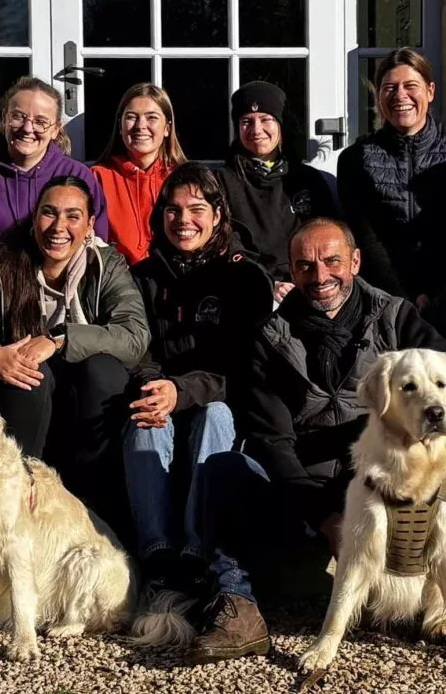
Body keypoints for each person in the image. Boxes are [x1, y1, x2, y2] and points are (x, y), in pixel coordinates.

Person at [190, 218, 446, 663]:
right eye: (305, 266)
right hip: (314, 492)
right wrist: (328, 519)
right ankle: (238, 608)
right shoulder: (269, 338)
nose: (320, 277)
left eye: (332, 262)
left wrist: (418, 421)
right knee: (223, 469)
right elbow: (273, 443)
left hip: (391, 481)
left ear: (356, 261)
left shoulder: (397, 316)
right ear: (290, 270)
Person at [126, 163, 273, 605]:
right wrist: (156, 387)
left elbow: (245, 364)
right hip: (165, 393)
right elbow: (140, 346)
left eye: (195, 209)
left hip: (221, 399)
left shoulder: (243, 276)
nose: (183, 220)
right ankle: (157, 554)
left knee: (215, 415)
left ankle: (196, 551)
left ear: (217, 213)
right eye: (172, 210)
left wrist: (182, 390)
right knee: (143, 418)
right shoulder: (146, 276)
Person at [0, 175, 148, 531]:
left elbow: (134, 335)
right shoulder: (0, 264)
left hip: (85, 405)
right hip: (26, 404)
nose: (59, 227)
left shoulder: (106, 265)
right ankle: (15, 503)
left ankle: (96, 506)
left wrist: (60, 339)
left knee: (103, 369)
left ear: (89, 224)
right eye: (49, 214)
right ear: (35, 218)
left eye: (73, 216)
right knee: (31, 375)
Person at [338, 47, 446, 347]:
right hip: (384, 290)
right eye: (389, 88)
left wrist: (432, 293)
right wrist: (407, 296)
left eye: (411, 86)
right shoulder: (357, 159)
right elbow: (367, 239)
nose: (400, 96)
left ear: (430, 91)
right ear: (379, 97)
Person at [0, 77, 108, 268]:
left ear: (56, 129)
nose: (28, 128)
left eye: (41, 121)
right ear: (5, 119)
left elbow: (95, 244)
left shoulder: (77, 175)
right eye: (19, 117)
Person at [216, 80, 336, 303]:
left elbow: (330, 236)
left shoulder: (307, 180)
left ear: (281, 124)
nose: (256, 130)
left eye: (266, 119)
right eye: (246, 121)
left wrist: (309, 278)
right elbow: (225, 241)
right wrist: (267, 283)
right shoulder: (222, 181)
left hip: (310, 285)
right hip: (249, 288)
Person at [92, 83, 186, 265]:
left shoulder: (183, 178)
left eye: (151, 117)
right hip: (118, 282)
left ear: (167, 128)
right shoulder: (98, 178)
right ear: (120, 127)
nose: (140, 125)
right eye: (131, 117)